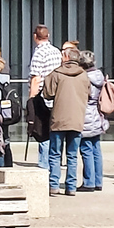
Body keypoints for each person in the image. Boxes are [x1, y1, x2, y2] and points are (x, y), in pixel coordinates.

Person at [43, 47, 90, 196]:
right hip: (77, 119)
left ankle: (54, 185)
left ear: (65, 57)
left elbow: (48, 93)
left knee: (55, 154)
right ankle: (71, 187)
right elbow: (88, 93)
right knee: (72, 155)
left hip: (59, 119)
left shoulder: (57, 73)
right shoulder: (84, 76)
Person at [28, 25, 62, 170]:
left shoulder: (39, 53)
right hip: (57, 95)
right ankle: (55, 160)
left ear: (35, 36)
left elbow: (36, 78)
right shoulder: (56, 51)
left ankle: (44, 163)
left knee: (42, 131)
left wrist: (31, 99)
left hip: (42, 96)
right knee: (54, 129)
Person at [77, 50, 106, 192]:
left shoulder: (84, 78)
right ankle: (98, 180)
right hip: (97, 114)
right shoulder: (99, 76)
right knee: (96, 149)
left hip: (86, 114)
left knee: (86, 148)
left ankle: (89, 182)